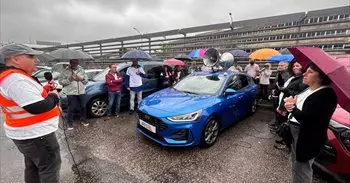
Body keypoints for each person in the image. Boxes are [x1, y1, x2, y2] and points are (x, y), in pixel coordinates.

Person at [0, 43, 61, 183]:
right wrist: (54, 96)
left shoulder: (12, 77)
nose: (37, 60)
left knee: (33, 167)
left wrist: (46, 89)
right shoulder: (15, 79)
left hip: (27, 133)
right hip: (37, 135)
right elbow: (37, 106)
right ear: (15, 59)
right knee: (50, 168)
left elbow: (26, 98)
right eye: (31, 56)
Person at [284, 63, 337, 183]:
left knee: (302, 168)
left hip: (307, 137)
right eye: (306, 71)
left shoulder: (325, 94)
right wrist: (291, 104)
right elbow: (300, 107)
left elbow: (308, 118)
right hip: (297, 132)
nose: (304, 73)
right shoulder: (309, 89)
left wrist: (292, 108)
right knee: (296, 165)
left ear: (321, 76)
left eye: (310, 72)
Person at [273, 61, 308, 150]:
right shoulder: (293, 77)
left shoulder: (302, 79)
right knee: (283, 123)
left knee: (286, 125)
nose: (295, 67)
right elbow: (286, 87)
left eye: (298, 65)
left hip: (290, 106)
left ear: (303, 67)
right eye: (294, 66)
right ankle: (284, 140)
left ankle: (287, 145)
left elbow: (298, 94)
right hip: (283, 103)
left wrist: (285, 90)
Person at [58, 59, 89, 130]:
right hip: (71, 92)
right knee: (71, 108)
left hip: (81, 91)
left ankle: (83, 120)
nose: (75, 64)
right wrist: (70, 79)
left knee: (83, 106)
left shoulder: (81, 70)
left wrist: (82, 78)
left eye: (77, 62)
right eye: (74, 62)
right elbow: (60, 81)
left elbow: (86, 80)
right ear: (70, 63)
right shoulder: (65, 71)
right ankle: (70, 123)